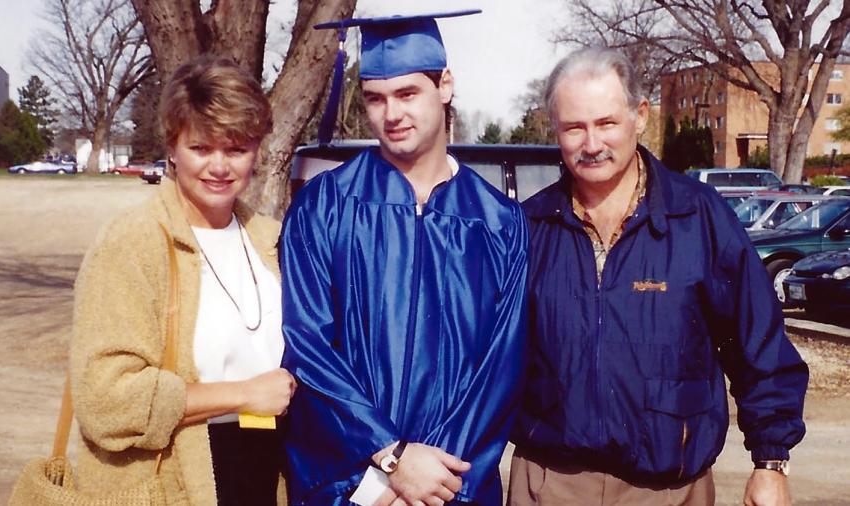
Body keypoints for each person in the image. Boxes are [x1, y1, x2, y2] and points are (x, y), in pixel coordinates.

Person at [509, 47, 809, 506]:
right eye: (574, 127)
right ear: (556, 130)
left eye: (606, 122)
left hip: (668, 489)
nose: (591, 144)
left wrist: (771, 462)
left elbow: (759, 346)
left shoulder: (700, 218)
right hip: (549, 483)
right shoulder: (527, 228)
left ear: (640, 116)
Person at [280, 10, 528, 506]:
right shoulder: (324, 207)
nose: (391, 115)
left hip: (450, 486)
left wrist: (432, 479)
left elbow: (500, 372)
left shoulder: (498, 222)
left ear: (445, 86)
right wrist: (388, 461)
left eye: (408, 93)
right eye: (375, 98)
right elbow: (307, 347)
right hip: (350, 489)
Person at [69, 55, 296, 506]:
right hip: (172, 480)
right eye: (201, 148)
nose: (219, 166)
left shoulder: (271, 241)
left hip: (265, 476)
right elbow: (104, 400)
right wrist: (244, 394)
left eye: (235, 149)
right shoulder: (133, 243)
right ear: (172, 147)